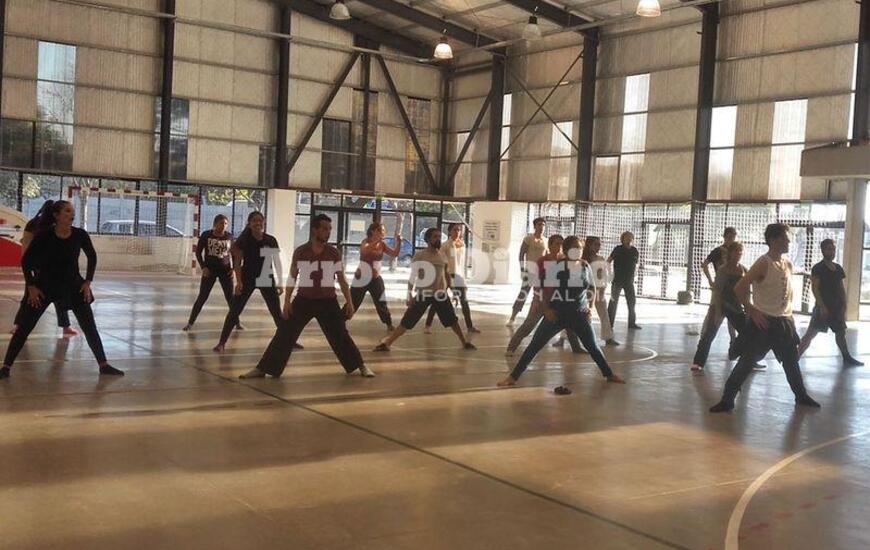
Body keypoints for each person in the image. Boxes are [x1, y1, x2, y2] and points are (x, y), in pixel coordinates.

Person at [239, 214, 373, 379]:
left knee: (340, 334)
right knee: (284, 333)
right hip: (304, 300)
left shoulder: (333, 253)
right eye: (324, 228)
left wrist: (350, 302)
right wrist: (287, 302)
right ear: (315, 230)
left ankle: (360, 365)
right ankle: (263, 368)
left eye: (329, 229)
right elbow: (292, 277)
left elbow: (342, 279)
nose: (328, 232)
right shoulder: (301, 251)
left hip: (328, 301)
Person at [1, 201, 123, 379]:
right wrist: (31, 286)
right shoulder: (44, 235)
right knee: (24, 328)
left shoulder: (79, 235)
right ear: (56, 215)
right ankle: (5, 367)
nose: (71, 214)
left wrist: (88, 281)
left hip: (74, 286)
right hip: (44, 287)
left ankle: (103, 365)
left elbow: (92, 256)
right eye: (67, 211)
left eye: (72, 212)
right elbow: (26, 261)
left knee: (89, 327)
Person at [709, 223, 820, 413]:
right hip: (764, 323)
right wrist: (751, 309)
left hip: (783, 322)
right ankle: (727, 400)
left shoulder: (787, 264)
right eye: (785, 238)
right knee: (747, 362)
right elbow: (740, 288)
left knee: (791, 361)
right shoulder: (763, 262)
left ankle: (801, 396)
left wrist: (790, 317)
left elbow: (786, 295)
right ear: (774, 240)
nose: (788, 241)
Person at [498, 236, 624, 387]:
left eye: (580, 248)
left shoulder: (585, 266)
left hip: (579, 314)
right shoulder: (557, 266)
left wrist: (590, 308)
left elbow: (592, 287)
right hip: (556, 314)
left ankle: (609, 374)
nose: (579, 250)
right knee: (534, 345)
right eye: (575, 247)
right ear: (567, 250)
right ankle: (513, 377)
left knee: (593, 347)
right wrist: (546, 310)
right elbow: (544, 291)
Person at [373, 227, 476, 352]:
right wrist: (409, 294)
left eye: (439, 236)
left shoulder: (442, 255)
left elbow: (446, 274)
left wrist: (453, 291)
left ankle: (464, 342)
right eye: (435, 237)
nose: (437, 239)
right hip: (423, 293)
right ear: (427, 239)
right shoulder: (420, 255)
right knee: (407, 321)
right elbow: (413, 276)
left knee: (452, 320)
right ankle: (387, 344)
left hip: (440, 294)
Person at [213, 211, 290, 353]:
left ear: (264, 222)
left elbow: (277, 262)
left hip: (266, 278)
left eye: (260, 220)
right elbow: (237, 262)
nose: (258, 223)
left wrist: (280, 281)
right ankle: (221, 343)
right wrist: (239, 282)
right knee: (234, 311)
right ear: (249, 223)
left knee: (276, 312)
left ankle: (288, 340)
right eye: (254, 220)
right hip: (248, 278)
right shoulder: (244, 241)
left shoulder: (270, 240)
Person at [505, 234, 585, 356]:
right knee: (529, 324)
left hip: (559, 299)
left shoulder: (564, 260)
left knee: (569, 322)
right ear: (550, 245)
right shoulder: (543, 261)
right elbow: (538, 282)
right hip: (543, 298)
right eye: (556, 243)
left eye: (561, 244)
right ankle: (511, 347)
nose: (559, 246)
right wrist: (538, 299)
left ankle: (576, 347)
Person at [10, 200, 78, 337]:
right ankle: (65, 327)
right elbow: (28, 245)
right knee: (53, 296)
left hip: (46, 266)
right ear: (55, 212)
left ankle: (19, 325)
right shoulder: (38, 224)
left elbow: (26, 246)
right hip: (42, 265)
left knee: (34, 294)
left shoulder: (49, 224)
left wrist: (27, 264)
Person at [797, 239, 863, 366]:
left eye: (833, 249)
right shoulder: (818, 268)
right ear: (823, 250)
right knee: (810, 335)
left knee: (840, 333)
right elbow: (815, 288)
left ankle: (846, 357)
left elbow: (841, 287)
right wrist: (822, 307)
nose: (831, 252)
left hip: (836, 308)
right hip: (823, 308)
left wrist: (844, 304)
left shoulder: (838, 268)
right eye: (828, 249)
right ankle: (794, 358)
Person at [691, 241, 747, 371]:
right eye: (736, 251)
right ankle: (698, 362)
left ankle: (741, 356)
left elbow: (746, 288)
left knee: (746, 332)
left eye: (741, 251)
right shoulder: (723, 270)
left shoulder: (743, 270)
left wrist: (747, 306)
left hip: (735, 306)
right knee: (709, 333)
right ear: (730, 253)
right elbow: (718, 291)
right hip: (720, 304)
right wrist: (717, 311)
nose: (739, 254)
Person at [183, 214, 242, 331]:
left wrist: (233, 269)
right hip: (210, 270)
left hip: (225, 271)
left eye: (225, 223)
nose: (223, 226)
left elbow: (234, 255)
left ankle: (237, 323)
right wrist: (203, 267)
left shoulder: (229, 237)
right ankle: (190, 323)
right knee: (202, 297)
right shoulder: (206, 235)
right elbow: (198, 253)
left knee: (230, 298)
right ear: (215, 224)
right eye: (221, 223)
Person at [424, 223, 480, 334]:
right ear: (449, 232)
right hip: (447, 276)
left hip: (459, 276)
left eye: (459, 230)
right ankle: (427, 325)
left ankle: (470, 326)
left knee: (464, 302)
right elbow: (441, 262)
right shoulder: (445, 246)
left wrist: (464, 280)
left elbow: (461, 264)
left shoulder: (462, 245)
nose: (457, 232)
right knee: (438, 301)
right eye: (455, 230)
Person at [350, 221, 401, 332]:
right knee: (353, 301)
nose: (383, 232)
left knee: (381, 302)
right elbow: (365, 250)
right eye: (381, 230)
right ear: (373, 231)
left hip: (375, 278)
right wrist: (376, 241)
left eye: (383, 230)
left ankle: (388, 323)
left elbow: (394, 253)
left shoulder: (382, 245)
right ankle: (339, 321)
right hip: (361, 278)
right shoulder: (365, 242)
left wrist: (399, 242)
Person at [702, 227, 739, 345]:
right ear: (725, 237)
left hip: (732, 288)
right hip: (720, 287)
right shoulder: (719, 251)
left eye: (733, 237)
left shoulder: (735, 251)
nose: (732, 239)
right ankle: (704, 340)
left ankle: (733, 342)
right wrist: (710, 280)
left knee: (733, 315)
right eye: (729, 237)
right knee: (714, 313)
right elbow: (705, 264)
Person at [507, 217, 546, 325]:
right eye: (539, 224)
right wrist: (522, 269)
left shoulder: (545, 240)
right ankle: (512, 317)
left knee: (542, 295)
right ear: (534, 226)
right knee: (523, 293)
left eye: (543, 225)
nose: (541, 227)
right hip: (530, 271)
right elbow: (521, 254)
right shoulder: (529, 239)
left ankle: (538, 317)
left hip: (541, 273)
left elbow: (546, 256)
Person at [583, 236, 618, 346]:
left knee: (604, 315)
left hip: (598, 291)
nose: (599, 247)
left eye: (599, 244)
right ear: (589, 245)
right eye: (596, 244)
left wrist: (602, 288)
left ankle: (608, 338)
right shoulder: (583, 260)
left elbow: (603, 276)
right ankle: (564, 337)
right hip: (584, 292)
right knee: (577, 314)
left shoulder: (600, 259)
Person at [607, 231, 641, 330]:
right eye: (627, 237)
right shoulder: (618, 249)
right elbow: (609, 260)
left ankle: (632, 323)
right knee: (613, 302)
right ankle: (609, 324)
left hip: (629, 281)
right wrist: (608, 273)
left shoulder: (634, 250)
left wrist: (635, 275)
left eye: (631, 237)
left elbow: (635, 264)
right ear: (623, 239)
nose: (629, 239)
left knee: (632, 302)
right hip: (618, 280)